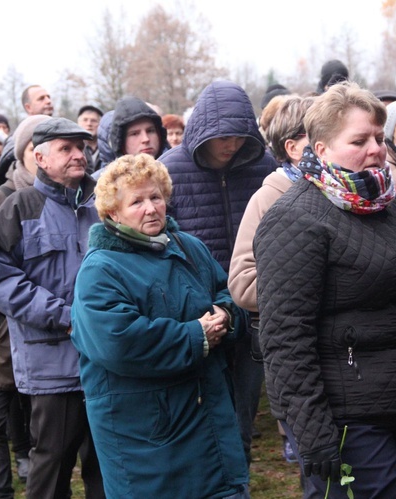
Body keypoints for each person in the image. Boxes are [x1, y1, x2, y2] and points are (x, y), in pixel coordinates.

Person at [254, 83, 396, 498]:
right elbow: (285, 337)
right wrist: (313, 430)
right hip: (342, 412)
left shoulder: (390, 206)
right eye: (359, 140)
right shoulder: (295, 220)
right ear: (320, 150)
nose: (375, 149)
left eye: (377, 136)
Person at [70, 154, 248, 498]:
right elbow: (117, 341)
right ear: (112, 213)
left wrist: (226, 315)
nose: (151, 208)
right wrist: (196, 336)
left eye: (155, 197)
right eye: (136, 201)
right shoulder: (101, 269)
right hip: (146, 435)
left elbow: (230, 294)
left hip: (206, 413)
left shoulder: (187, 247)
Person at [0, 118, 104, 499]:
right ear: (39, 157)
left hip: (107, 357)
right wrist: (66, 317)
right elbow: (1, 280)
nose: (77, 155)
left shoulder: (106, 201)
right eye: (65, 148)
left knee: (106, 465)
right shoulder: (18, 208)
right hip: (53, 364)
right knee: (52, 464)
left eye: (80, 147)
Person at [158, 80, 277, 465]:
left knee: (244, 407)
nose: (232, 144)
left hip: (254, 306)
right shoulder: (170, 170)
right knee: (203, 409)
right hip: (197, 311)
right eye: (224, 135)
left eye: (240, 136)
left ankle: (237, 475)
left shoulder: (264, 168)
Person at [0, 114, 50, 497]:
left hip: (51, 335)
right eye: (36, 147)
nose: (44, 154)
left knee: (46, 429)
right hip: (0, 333)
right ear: (23, 152)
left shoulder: (74, 199)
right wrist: (1, 331)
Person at [228, 95, 314, 464]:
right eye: (320, 136)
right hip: (297, 357)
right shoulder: (270, 198)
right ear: (293, 148)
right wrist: (319, 288)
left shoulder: (349, 193)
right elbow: (244, 283)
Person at [77, 105, 104, 173]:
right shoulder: (73, 148)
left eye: (94, 120)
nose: (89, 124)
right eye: (85, 120)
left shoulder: (108, 148)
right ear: (78, 123)